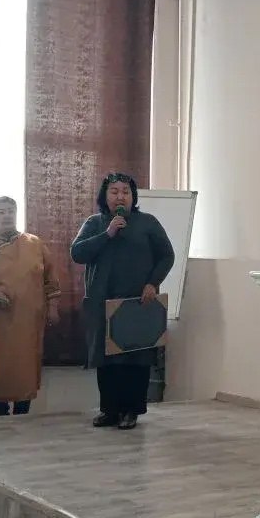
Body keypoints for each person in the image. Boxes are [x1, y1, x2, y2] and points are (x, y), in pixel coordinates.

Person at [71, 173, 174, 430]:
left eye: (126, 192)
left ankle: (131, 411)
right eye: (114, 191)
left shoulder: (148, 223)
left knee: (135, 359)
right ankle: (109, 410)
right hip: (102, 303)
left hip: (136, 301)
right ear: (105, 196)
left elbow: (167, 256)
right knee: (107, 361)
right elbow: (78, 253)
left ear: (133, 197)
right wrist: (107, 234)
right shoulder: (94, 223)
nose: (120, 197)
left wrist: (153, 283)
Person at [0, 196, 60, 416]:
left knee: (26, 367)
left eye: (10, 211)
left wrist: (53, 307)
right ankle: (0, 415)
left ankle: (22, 415)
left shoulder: (35, 244)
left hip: (29, 319)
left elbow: (51, 279)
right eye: (1, 211)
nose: (7, 215)